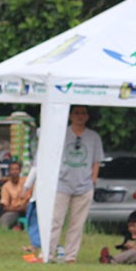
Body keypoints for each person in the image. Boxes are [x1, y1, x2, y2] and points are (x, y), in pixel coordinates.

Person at [50, 105, 103, 263]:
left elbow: (97, 161)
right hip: (62, 184)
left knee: (77, 224)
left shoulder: (93, 137)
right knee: (55, 221)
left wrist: (93, 180)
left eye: (83, 113)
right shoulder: (61, 134)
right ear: (70, 116)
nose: (80, 116)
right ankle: (49, 253)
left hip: (84, 186)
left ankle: (70, 255)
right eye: (77, 113)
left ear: (87, 117)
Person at [0, 160, 31, 230]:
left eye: (16, 169)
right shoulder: (6, 187)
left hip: (29, 208)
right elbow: (5, 206)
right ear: (9, 171)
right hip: (15, 210)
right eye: (12, 170)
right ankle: (16, 226)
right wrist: (19, 208)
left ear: (20, 171)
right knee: (3, 221)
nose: (14, 172)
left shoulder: (26, 182)